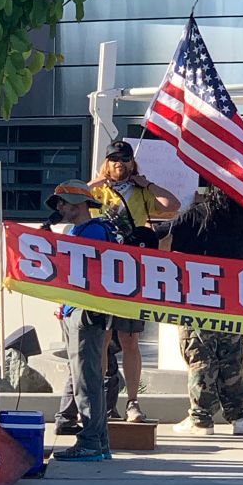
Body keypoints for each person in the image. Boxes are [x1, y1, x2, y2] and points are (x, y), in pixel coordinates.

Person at [89, 140, 181, 423]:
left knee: (130, 338)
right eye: (114, 159)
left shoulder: (140, 191)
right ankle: (103, 398)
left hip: (131, 271)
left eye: (125, 159)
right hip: (101, 269)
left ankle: (133, 402)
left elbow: (173, 206)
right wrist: (99, 180)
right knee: (102, 337)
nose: (120, 164)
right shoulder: (98, 190)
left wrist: (148, 185)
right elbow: (73, 198)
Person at [170, 187, 243, 436]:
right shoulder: (242, 218)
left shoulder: (196, 215)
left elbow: (164, 239)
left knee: (200, 356)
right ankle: (239, 417)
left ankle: (201, 418)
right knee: (232, 357)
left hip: (197, 295)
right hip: (232, 296)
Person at [46, 180, 118, 462]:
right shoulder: (79, 231)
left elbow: (89, 272)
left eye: (62, 203)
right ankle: (98, 441)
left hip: (87, 311)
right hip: (75, 309)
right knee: (84, 377)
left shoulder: (95, 232)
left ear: (77, 204)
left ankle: (91, 441)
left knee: (87, 379)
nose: (60, 208)